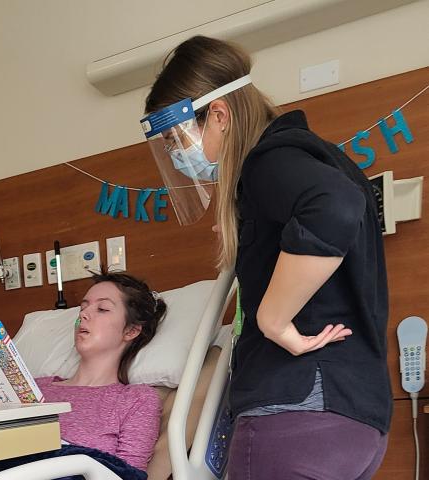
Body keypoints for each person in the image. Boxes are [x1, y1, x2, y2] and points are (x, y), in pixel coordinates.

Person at [141, 36, 390, 479]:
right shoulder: (316, 156)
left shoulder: (268, 161)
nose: (179, 157)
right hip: (356, 419)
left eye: (179, 139)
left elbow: (333, 207)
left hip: (295, 411)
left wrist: (273, 319)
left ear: (218, 115)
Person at [0, 272, 165, 470]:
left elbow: (128, 473)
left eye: (102, 309)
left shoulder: (136, 400)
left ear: (131, 331)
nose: (84, 315)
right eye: (83, 307)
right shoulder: (30, 388)